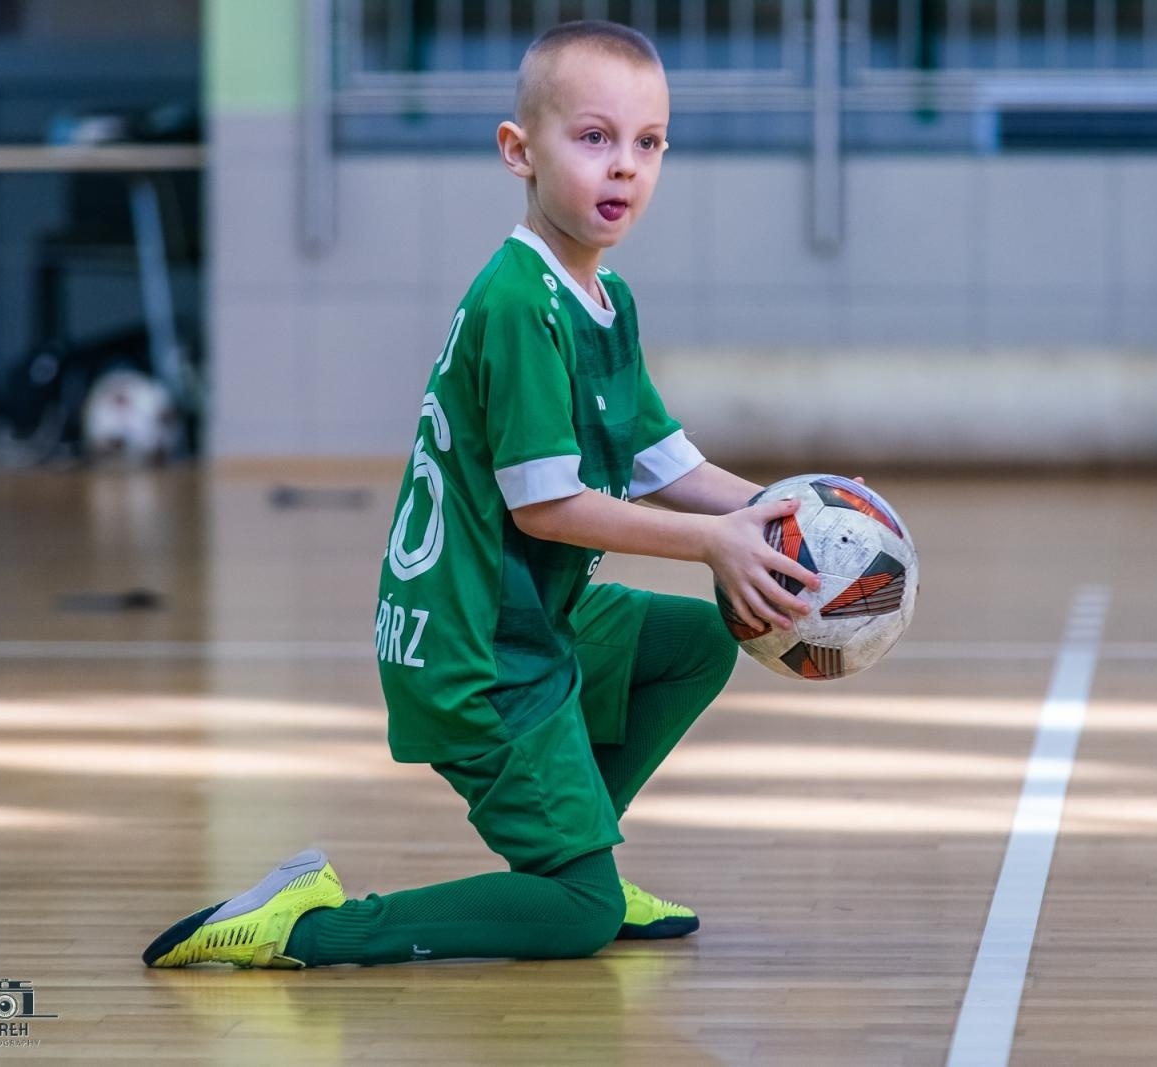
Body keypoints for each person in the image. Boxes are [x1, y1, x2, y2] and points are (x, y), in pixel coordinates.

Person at [143, 19, 818, 970]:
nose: (624, 166)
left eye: (648, 143)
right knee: (577, 916)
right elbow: (550, 508)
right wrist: (716, 545)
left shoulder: (603, 298)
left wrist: (799, 510)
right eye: (594, 138)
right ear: (520, 152)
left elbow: (670, 463)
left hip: (536, 617)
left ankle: (584, 846)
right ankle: (312, 926)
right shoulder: (517, 302)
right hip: (476, 647)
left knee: (705, 638)